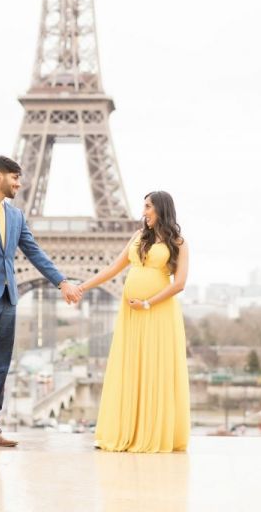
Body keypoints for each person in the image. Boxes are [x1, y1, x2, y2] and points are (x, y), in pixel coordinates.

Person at [0, 156, 82, 450]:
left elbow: (34, 252)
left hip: (9, 297)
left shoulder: (16, 215)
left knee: (0, 364)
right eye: (15, 178)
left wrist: (62, 281)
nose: (20, 184)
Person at [80, 191, 190, 452]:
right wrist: (81, 286)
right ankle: (128, 430)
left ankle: (149, 432)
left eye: (148, 206)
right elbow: (111, 269)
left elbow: (180, 283)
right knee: (132, 367)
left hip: (157, 313)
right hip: (132, 314)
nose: (143, 212)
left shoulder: (179, 242)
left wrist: (149, 303)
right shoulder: (138, 237)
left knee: (154, 368)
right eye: (144, 206)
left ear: (162, 208)